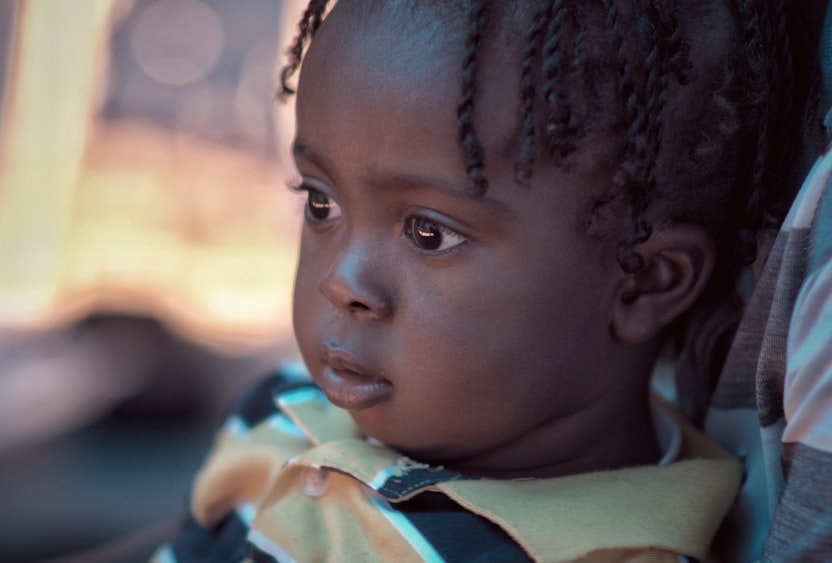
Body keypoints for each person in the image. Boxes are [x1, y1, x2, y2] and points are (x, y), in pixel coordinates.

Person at [153, 1, 812, 561]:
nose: (342, 281)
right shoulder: (285, 410)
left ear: (642, 282)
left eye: (429, 233)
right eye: (321, 203)